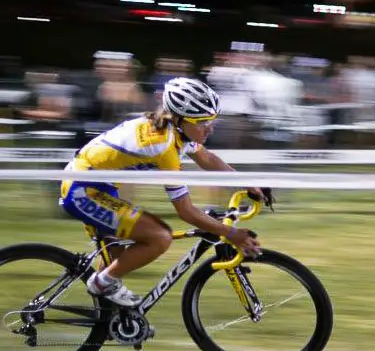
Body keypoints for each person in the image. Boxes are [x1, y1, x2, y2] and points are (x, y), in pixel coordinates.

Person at [59, 77, 271, 307]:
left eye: (212, 121)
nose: (209, 128)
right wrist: (231, 234)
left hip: (100, 185)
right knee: (159, 237)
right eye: (202, 122)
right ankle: (100, 284)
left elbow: (207, 158)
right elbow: (186, 211)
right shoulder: (163, 145)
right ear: (180, 119)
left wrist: (247, 184)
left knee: (119, 263)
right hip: (82, 190)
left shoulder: (175, 130)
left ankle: (108, 318)